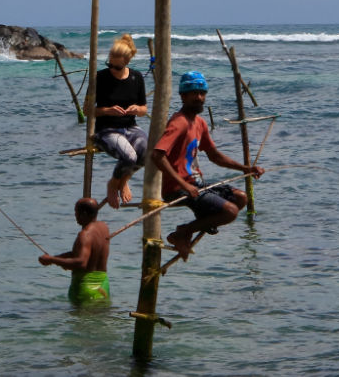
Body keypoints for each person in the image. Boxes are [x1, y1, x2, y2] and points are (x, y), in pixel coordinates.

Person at [151, 71, 263, 259]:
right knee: (230, 211)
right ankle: (182, 232)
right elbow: (157, 155)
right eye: (194, 93)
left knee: (241, 198)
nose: (200, 98)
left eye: (202, 93)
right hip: (178, 188)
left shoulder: (200, 123)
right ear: (183, 96)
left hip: (196, 185)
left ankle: (196, 226)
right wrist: (184, 184)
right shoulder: (179, 123)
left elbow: (214, 156)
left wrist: (246, 169)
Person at [91, 34, 150, 208]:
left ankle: (123, 180)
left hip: (130, 127)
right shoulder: (100, 77)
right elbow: (88, 110)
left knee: (148, 152)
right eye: (110, 64)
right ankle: (113, 183)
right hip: (106, 129)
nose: (112, 69)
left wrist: (136, 109)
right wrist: (107, 110)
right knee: (130, 156)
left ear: (127, 62)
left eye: (117, 67)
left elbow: (144, 109)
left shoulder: (136, 78)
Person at [37, 197, 111, 306]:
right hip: (103, 286)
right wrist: (56, 258)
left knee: (81, 321)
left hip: (85, 288)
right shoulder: (104, 227)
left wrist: (52, 260)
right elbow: (80, 254)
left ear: (84, 214)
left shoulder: (84, 235)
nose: (75, 215)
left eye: (76, 212)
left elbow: (81, 262)